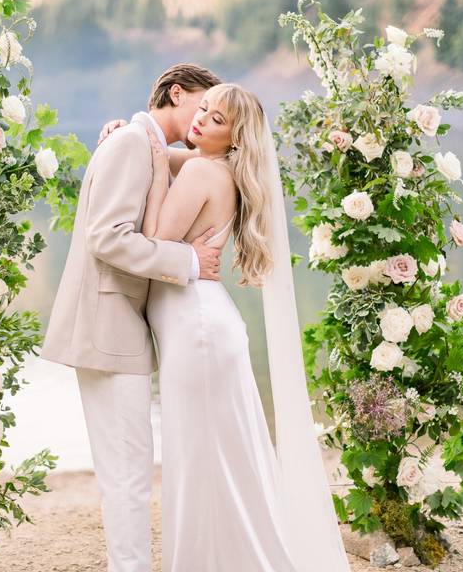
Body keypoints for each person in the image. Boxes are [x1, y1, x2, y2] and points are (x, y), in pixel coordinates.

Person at [99, 83, 351, 571]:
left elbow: (154, 240)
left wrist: (153, 169)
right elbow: (164, 158)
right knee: (218, 460)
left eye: (216, 120)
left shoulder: (200, 171)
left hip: (197, 329)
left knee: (198, 462)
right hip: (204, 326)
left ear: (235, 138)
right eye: (204, 109)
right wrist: (129, 137)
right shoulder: (215, 169)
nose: (201, 120)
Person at [40, 63, 223, 572]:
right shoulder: (129, 144)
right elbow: (108, 236)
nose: (204, 117)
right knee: (128, 475)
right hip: (107, 327)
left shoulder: (144, 144)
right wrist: (187, 262)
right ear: (174, 93)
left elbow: (211, 158)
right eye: (201, 105)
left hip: (119, 329)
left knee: (131, 471)